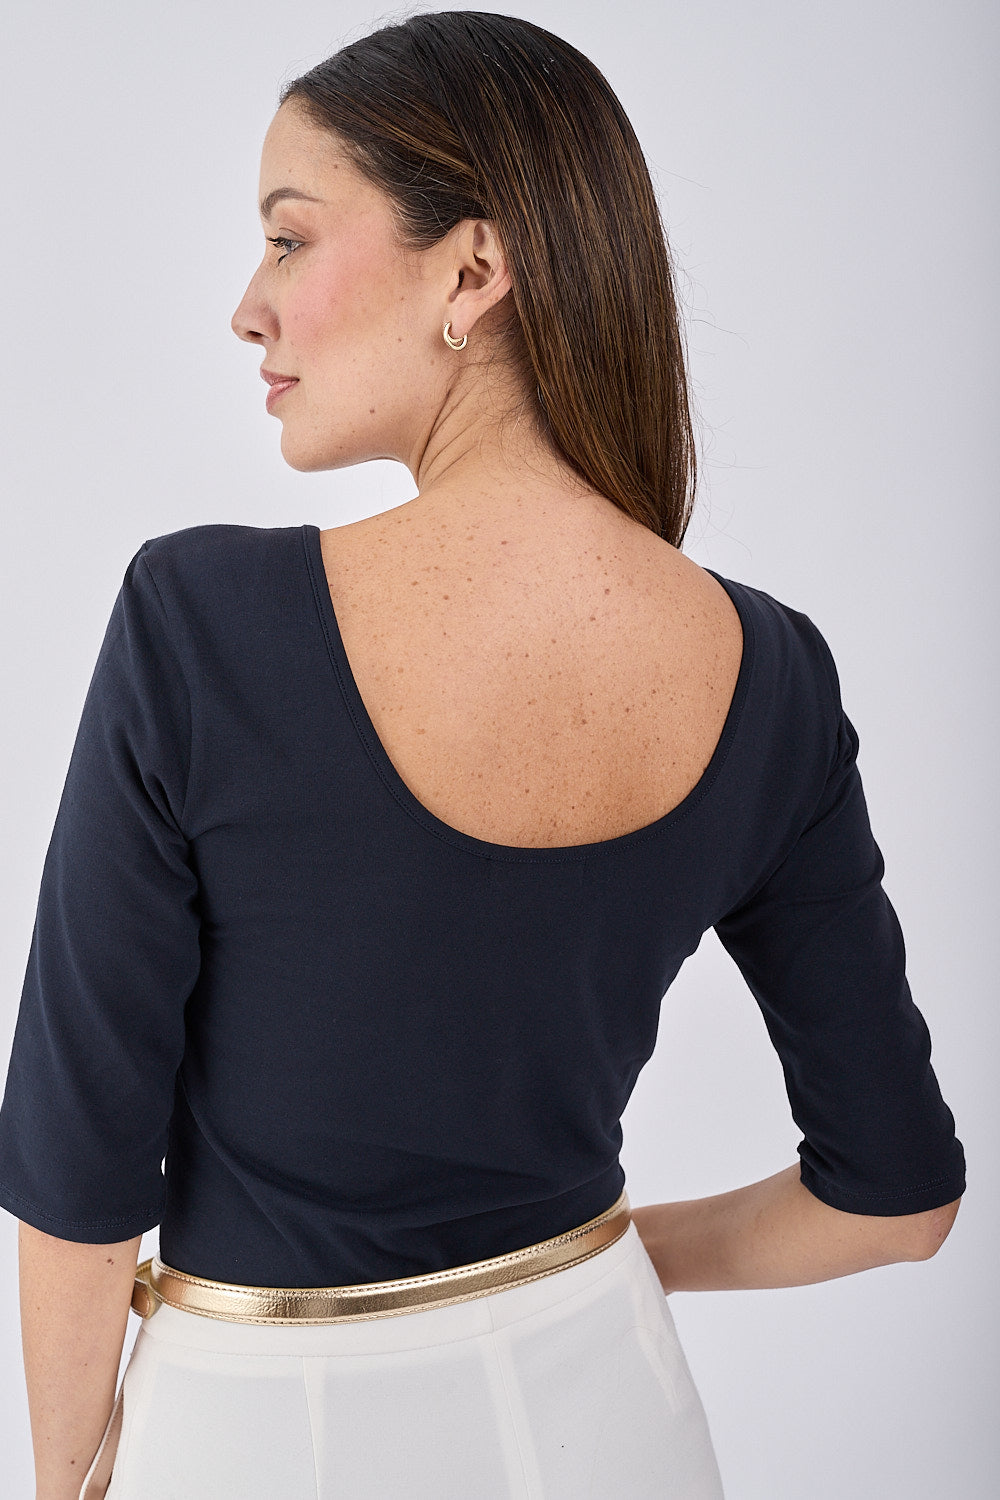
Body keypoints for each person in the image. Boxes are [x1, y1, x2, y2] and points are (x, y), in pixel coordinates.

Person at [0, 11, 965, 1499]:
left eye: (288, 239)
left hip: (262, 1434)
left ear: (472, 271)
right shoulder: (771, 674)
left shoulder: (204, 624)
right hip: (616, 1415)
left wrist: (68, 1475)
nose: (249, 309)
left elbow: (78, 1173)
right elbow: (898, 1201)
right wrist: (595, 1262)